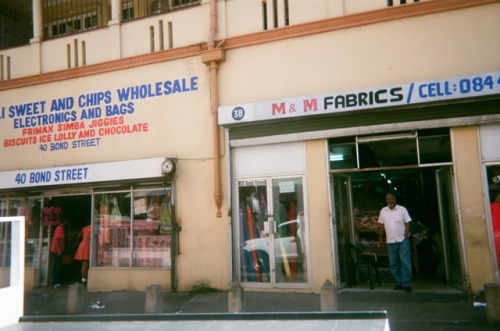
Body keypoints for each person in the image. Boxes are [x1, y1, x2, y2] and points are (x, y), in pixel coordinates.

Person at [378, 193, 413, 292]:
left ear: (395, 199)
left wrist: (405, 236)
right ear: (386, 200)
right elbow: (381, 225)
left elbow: (408, 223)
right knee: (393, 263)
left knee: (405, 262)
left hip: (402, 240)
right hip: (390, 241)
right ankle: (399, 283)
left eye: (391, 198)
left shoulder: (402, 209)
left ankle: (406, 283)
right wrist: (381, 239)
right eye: (387, 199)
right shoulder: (383, 211)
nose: (389, 200)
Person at [50, 219, 67, 288]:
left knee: (57, 265)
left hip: (57, 250)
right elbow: (56, 239)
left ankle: (56, 281)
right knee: (57, 266)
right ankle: (56, 282)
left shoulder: (60, 228)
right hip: (56, 250)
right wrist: (59, 250)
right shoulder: (59, 228)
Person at [74, 220, 91, 286]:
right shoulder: (92, 228)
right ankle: (84, 280)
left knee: (84, 264)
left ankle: (83, 279)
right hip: (87, 246)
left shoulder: (84, 228)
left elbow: (78, 236)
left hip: (83, 245)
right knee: (85, 264)